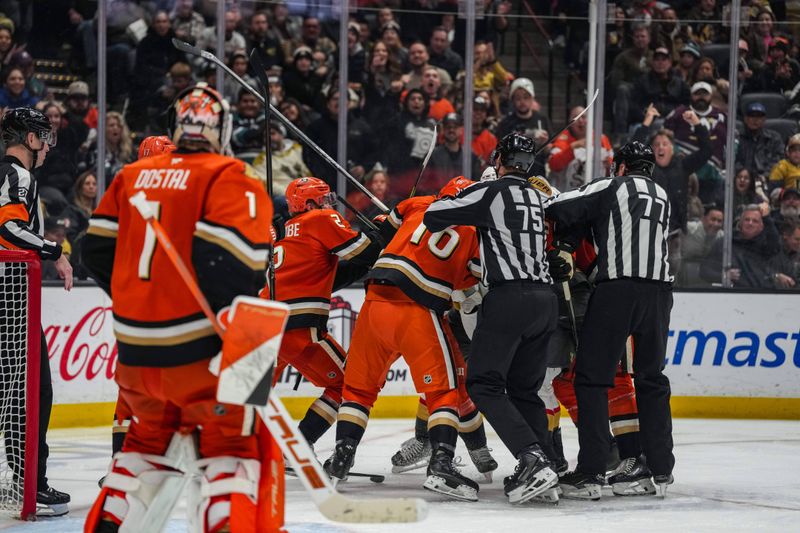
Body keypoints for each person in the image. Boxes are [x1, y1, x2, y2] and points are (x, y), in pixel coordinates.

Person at [81, 83, 274, 531]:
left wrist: (143, 299)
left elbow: (94, 252)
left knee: (142, 454)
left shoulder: (131, 176)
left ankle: (113, 517)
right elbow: (231, 268)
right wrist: (244, 348)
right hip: (199, 354)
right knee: (231, 457)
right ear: (220, 130)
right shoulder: (228, 174)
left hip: (135, 355)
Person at [325, 177, 492, 502]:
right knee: (443, 392)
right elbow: (468, 281)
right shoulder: (473, 230)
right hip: (418, 309)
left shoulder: (416, 203)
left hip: (374, 302)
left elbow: (382, 231)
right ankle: (441, 463)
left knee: (357, 390)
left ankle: (342, 456)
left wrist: (393, 227)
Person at [423, 133, 558, 505]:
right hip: (546, 302)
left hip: (510, 298)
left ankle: (531, 458)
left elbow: (434, 217)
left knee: (483, 384)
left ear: (499, 160)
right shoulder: (539, 196)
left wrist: (458, 195)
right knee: (525, 389)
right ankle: (547, 466)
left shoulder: (491, 191)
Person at [546, 142, 675, 500]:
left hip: (618, 290)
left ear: (620, 166)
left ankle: (590, 472)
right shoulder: (662, 195)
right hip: (659, 294)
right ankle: (659, 469)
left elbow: (559, 206)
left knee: (591, 379)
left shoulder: (613, 185)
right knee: (651, 379)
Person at [267, 177, 382, 448]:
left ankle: (231, 451)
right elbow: (365, 252)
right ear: (308, 204)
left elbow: (331, 277)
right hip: (297, 327)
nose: (329, 204)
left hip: (263, 324)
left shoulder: (284, 233)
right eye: (323, 199)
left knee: (250, 398)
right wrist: (384, 228)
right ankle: (299, 448)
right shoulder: (320, 219)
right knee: (348, 384)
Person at [0, 107, 72, 515]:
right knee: (32, 392)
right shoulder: (19, 176)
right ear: (29, 139)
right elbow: (9, 229)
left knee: (14, 392)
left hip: (9, 298)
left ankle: (25, 478)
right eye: (43, 138)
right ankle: (32, 484)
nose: (47, 147)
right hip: (10, 300)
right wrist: (55, 250)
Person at [701, 205, 787, 288]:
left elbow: (774, 245)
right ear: (740, 223)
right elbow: (704, 271)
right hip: (732, 294)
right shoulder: (725, 243)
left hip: (760, 294)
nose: (750, 223)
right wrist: (724, 275)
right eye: (747, 220)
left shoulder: (765, 246)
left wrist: (767, 218)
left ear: (761, 227)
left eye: (755, 221)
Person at [548, 105, 614, 191]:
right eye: (576, 117)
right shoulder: (563, 138)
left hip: (595, 190)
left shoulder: (600, 138)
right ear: (570, 121)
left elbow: (614, 167)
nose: (580, 120)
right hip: (567, 191)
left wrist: (609, 164)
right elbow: (553, 165)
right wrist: (572, 148)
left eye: (584, 117)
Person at [428, 112, 481, 190]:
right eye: (448, 127)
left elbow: (477, 185)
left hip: (464, 197)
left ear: (461, 129)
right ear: (443, 129)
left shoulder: (470, 157)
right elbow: (427, 183)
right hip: (439, 197)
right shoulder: (433, 156)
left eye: (455, 127)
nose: (451, 130)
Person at [736, 102, 785, 186]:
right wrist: (745, 176)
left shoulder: (774, 138)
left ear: (764, 120)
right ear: (746, 119)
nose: (755, 120)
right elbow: (732, 160)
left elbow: (779, 161)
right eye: (752, 116)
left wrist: (765, 176)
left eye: (759, 117)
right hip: (741, 180)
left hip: (767, 180)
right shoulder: (737, 137)